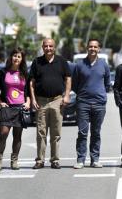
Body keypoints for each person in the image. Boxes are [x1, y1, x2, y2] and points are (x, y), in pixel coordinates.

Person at [30, 38, 71, 169]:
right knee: (41, 132)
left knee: (56, 132)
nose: (48, 48)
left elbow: (68, 79)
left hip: (57, 100)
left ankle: (54, 160)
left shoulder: (62, 62)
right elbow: (31, 83)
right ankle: (40, 160)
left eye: (51, 46)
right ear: (42, 47)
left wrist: (67, 95)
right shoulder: (37, 62)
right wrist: (33, 99)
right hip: (41, 101)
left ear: (55, 47)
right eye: (46, 46)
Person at [72, 39, 110, 169]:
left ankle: (95, 159)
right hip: (83, 103)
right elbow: (75, 84)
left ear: (99, 49)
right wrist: (83, 94)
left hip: (99, 104)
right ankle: (80, 160)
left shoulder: (104, 64)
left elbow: (107, 83)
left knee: (96, 133)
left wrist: (102, 96)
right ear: (87, 48)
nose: (93, 49)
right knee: (82, 132)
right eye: (90, 47)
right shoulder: (79, 64)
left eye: (95, 47)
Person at [0, 48, 30, 171]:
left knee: (17, 136)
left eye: (19, 56)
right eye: (14, 56)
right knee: (3, 134)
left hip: (20, 108)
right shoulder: (3, 73)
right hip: (7, 108)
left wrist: (28, 102)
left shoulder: (24, 73)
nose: (16, 58)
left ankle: (14, 160)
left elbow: (28, 91)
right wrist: (0, 102)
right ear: (11, 57)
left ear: (22, 59)